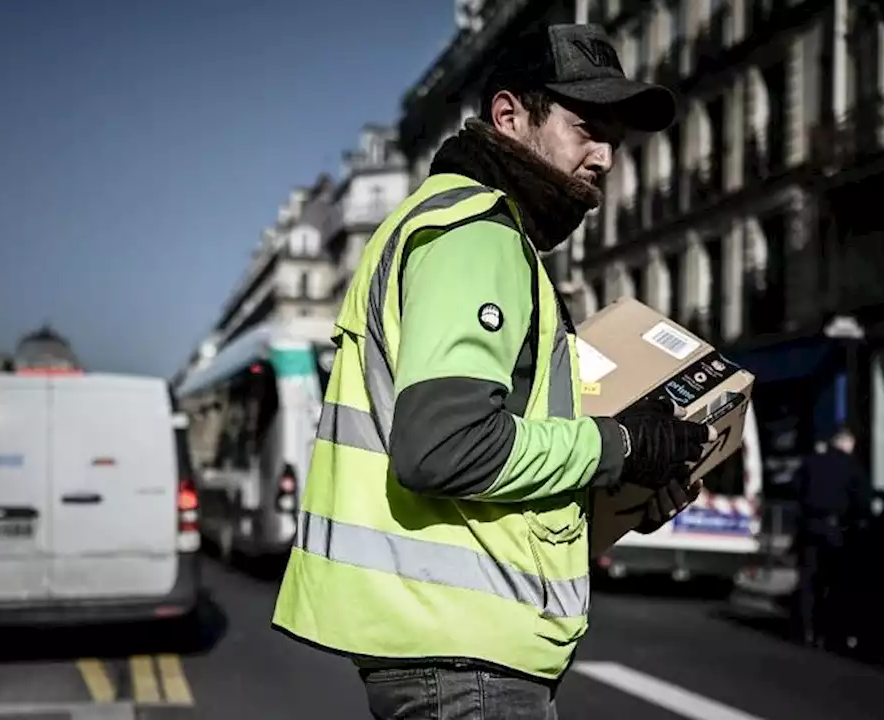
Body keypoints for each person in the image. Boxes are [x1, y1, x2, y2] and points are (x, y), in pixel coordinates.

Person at [272, 23, 712, 720]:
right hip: (463, 661)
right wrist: (619, 444)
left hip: (447, 643)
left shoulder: (468, 234)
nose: (604, 156)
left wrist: (621, 488)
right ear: (510, 116)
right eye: (585, 128)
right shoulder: (477, 235)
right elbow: (445, 448)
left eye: (616, 143)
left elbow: (489, 464)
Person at [793, 427, 868, 648]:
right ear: (848, 444)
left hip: (810, 526)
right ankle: (825, 632)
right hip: (835, 530)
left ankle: (805, 629)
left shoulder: (812, 461)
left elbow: (796, 488)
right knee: (832, 582)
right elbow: (862, 502)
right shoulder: (853, 467)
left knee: (807, 580)